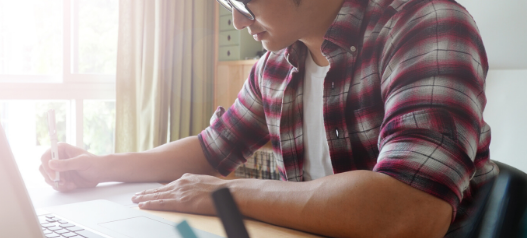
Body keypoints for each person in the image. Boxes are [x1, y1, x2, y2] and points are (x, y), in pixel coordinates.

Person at [39, 0, 497, 237]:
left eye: (242, 1)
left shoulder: (428, 23)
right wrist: (100, 166)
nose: (238, 22)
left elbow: (408, 212)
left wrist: (226, 195)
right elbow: (211, 148)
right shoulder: (277, 65)